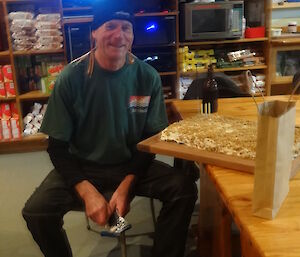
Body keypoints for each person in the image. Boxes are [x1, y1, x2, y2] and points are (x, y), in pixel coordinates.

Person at [22, 1, 197, 257]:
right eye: (110, 26)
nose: (119, 35)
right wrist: (87, 191)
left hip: (130, 165)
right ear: (94, 32)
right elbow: (57, 147)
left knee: (183, 190)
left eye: (126, 27)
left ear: (133, 35)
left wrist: (127, 185)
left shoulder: (147, 77)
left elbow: (149, 141)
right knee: (36, 211)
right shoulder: (71, 78)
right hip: (83, 167)